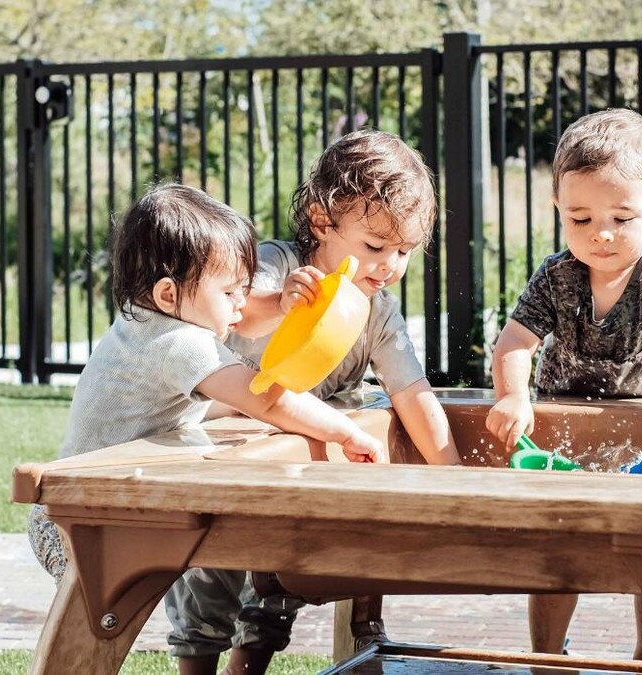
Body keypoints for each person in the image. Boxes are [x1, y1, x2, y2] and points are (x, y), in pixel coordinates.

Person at [167, 129, 461, 675]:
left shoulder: (376, 310)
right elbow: (231, 312)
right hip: (228, 442)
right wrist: (279, 303)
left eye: (404, 251)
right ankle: (198, 667)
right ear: (324, 221)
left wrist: (458, 482)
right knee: (215, 568)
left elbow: (411, 392)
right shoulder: (282, 269)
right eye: (375, 246)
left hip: (294, 453)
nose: (390, 265)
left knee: (286, 574)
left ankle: (248, 665)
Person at [27, 183, 385, 585]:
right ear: (168, 294)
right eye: (230, 291)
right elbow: (267, 400)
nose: (240, 303)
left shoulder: (147, 323)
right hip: (78, 518)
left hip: (86, 502)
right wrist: (346, 432)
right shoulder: (179, 343)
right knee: (97, 627)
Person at [484, 108, 642, 661]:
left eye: (621, 216)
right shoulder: (556, 275)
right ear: (559, 213)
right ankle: (547, 656)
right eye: (580, 218)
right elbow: (515, 342)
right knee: (559, 551)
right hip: (565, 431)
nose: (602, 234)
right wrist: (515, 395)